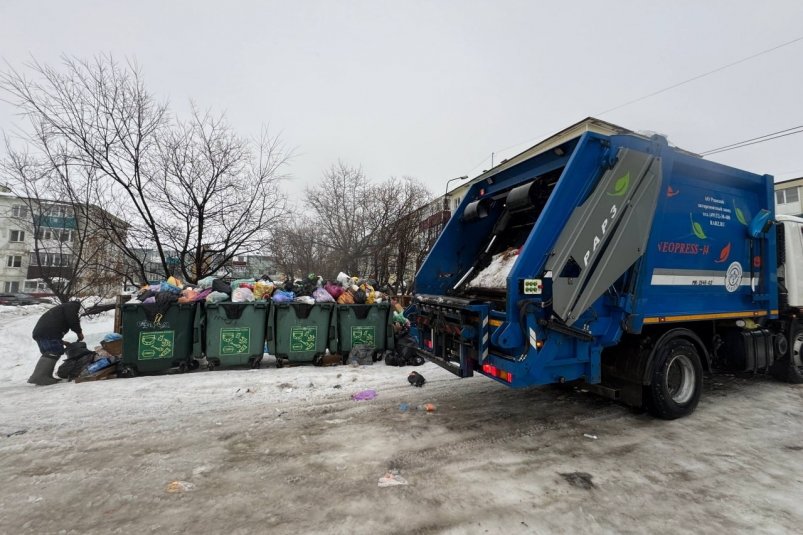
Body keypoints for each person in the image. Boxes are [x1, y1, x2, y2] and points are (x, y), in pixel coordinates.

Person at [28, 300, 83, 386]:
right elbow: (73, 320)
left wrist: (62, 342)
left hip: (41, 333)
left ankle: (46, 376)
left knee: (49, 352)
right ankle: (39, 377)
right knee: (53, 351)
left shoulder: (60, 309)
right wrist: (79, 332)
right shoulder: (71, 307)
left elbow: (53, 325)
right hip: (48, 333)